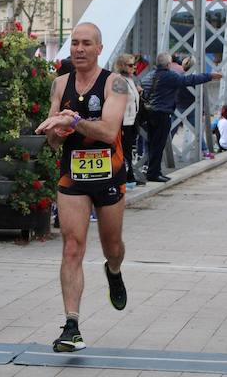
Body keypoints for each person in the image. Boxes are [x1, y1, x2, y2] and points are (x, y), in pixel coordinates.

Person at [35, 22, 130, 353]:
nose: (78, 49)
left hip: (109, 175)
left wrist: (72, 121)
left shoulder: (115, 84)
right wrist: (55, 134)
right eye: (74, 43)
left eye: (86, 43)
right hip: (73, 177)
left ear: (99, 48)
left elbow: (107, 131)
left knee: (112, 246)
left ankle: (114, 272)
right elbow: (49, 138)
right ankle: (71, 325)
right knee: (72, 247)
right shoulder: (60, 85)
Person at [140, 52, 222, 183]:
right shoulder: (170, 76)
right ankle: (154, 173)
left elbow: (142, 89)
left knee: (151, 143)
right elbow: (189, 80)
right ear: (168, 64)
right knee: (159, 144)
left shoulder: (148, 76)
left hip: (148, 114)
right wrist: (210, 76)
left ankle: (149, 169)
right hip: (161, 113)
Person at [114, 54, 140, 187]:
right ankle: (126, 177)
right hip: (123, 122)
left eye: (134, 64)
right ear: (122, 65)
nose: (133, 67)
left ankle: (129, 176)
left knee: (129, 150)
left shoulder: (129, 79)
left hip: (131, 120)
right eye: (130, 65)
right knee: (125, 151)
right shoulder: (119, 80)